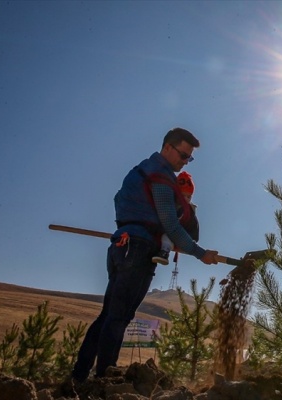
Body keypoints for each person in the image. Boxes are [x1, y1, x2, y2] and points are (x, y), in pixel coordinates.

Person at [71, 128, 221, 382]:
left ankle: (78, 377)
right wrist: (200, 253)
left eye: (189, 159)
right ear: (167, 148)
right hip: (138, 250)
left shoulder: (139, 171)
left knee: (108, 315)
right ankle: (106, 380)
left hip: (121, 245)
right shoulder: (160, 177)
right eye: (183, 155)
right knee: (119, 317)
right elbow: (171, 225)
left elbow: (119, 201)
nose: (185, 162)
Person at [152, 171, 199, 265]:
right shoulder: (167, 204)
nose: (185, 199)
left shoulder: (189, 210)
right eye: (183, 195)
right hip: (161, 232)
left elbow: (194, 227)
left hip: (179, 235)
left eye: (188, 196)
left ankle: (164, 252)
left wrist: (191, 241)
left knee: (168, 236)